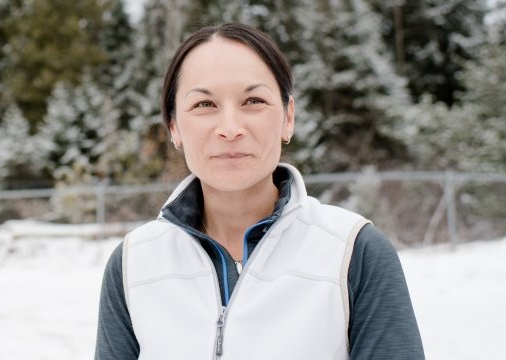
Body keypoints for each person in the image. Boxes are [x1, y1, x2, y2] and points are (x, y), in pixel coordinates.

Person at [94, 23, 424, 359]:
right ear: (174, 127)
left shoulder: (354, 252)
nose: (230, 128)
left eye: (253, 100)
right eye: (205, 105)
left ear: (288, 118)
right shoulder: (134, 263)